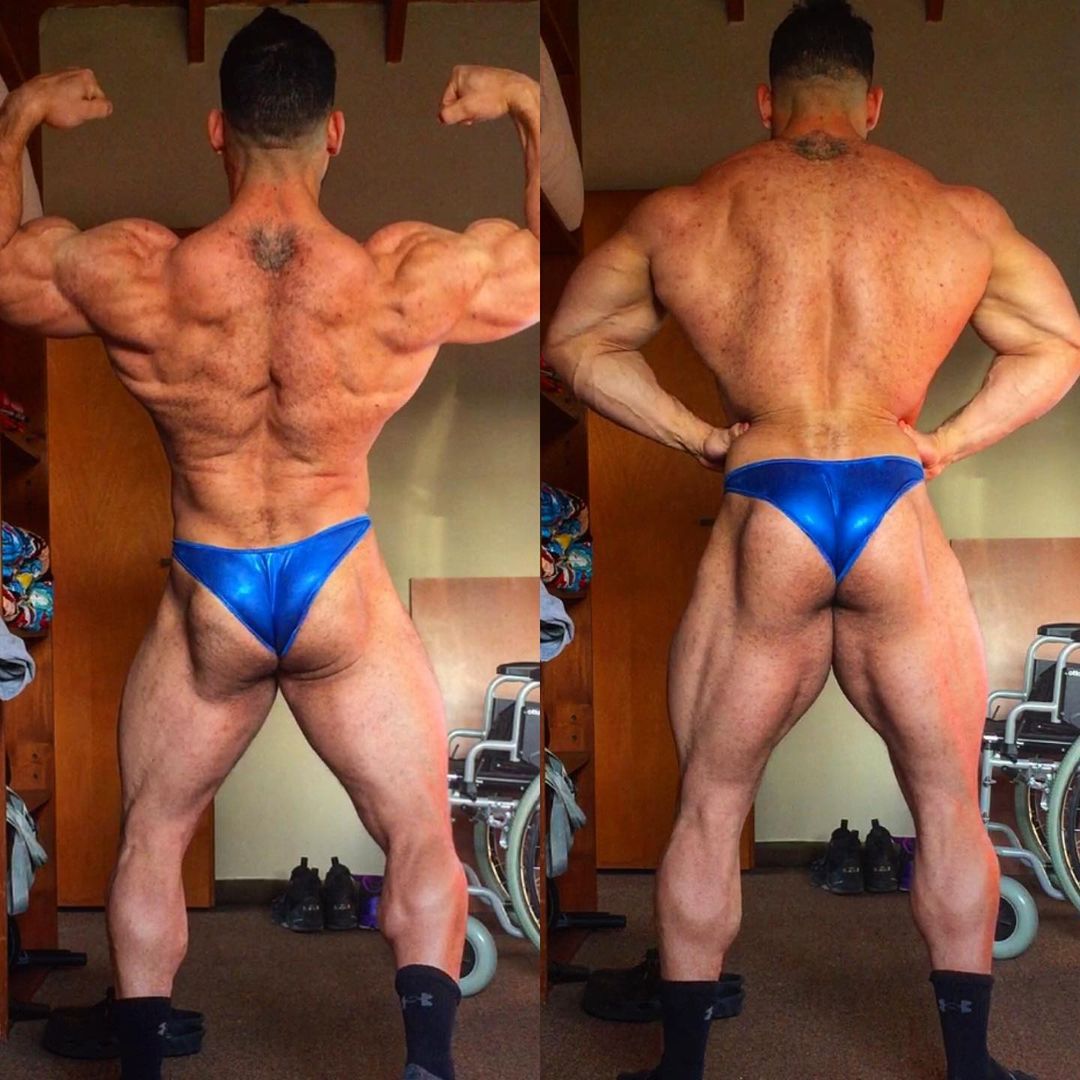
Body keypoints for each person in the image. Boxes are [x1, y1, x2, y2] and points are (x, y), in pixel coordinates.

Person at [0, 10, 538, 1080]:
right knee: (421, 834)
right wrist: (525, 108)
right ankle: (428, 1065)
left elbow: (7, 269)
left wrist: (16, 123)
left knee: (153, 836)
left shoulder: (139, 271)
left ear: (218, 130)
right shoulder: (403, 274)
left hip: (213, 590)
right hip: (336, 578)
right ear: (335, 132)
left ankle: (143, 1063)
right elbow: (533, 276)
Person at [544, 2, 1079, 1078]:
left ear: (766, 102)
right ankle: (972, 1066)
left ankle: (680, 1067)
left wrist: (703, 436)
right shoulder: (956, 214)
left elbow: (575, 343)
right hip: (891, 499)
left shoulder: (689, 211)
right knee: (947, 803)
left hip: (768, 498)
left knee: (710, 807)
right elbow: (1058, 344)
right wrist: (942, 442)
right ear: (872, 105)